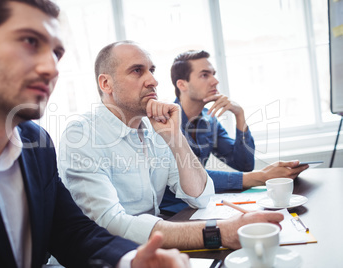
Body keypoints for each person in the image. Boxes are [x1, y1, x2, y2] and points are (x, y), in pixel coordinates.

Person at [0, 1, 193, 267]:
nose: (51, 68)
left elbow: (70, 232)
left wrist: (131, 260)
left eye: (56, 53)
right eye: (29, 41)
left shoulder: (35, 143)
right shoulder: (80, 134)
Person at [59, 40, 284, 251]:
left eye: (152, 70)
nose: (153, 81)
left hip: (152, 248)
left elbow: (201, 197)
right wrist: (217, 232)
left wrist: (175, 139)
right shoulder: (82, 134)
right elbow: (110, 225)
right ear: (106, 83)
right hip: (111, 255)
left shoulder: (156, 128)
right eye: (137, 70)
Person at [160, 50, 309, 213]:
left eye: (213, 74)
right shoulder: (165, 123)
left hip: (200, 207)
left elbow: (243, 163)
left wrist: (240, 115)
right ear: (182, 84)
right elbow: (187, 174)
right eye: (204, 75)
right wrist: (259, 177)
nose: (215, 81)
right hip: (172, 212)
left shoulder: (209, 120)